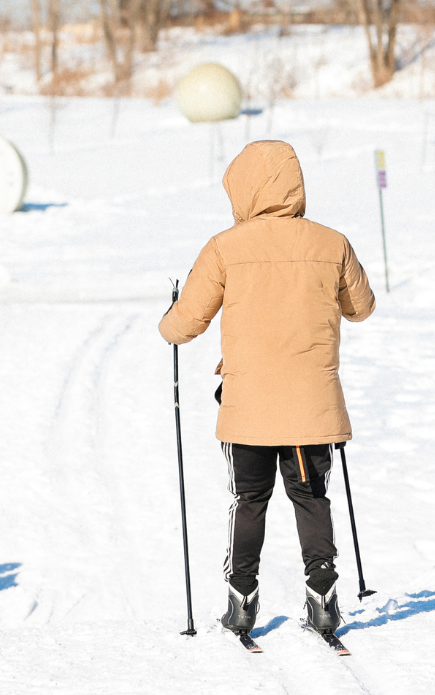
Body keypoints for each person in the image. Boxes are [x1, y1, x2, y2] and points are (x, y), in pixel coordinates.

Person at [158, 140, 375, 640]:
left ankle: (241, 603)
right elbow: (361, 308)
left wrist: (167, 319)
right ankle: (323, 598)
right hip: (310, 407)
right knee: (310, 496)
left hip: (248, 408)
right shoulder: (331, 243)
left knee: (249, 498)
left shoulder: (223, 248)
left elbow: (185, 324)